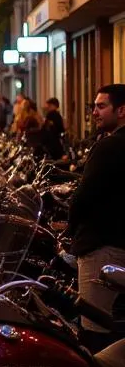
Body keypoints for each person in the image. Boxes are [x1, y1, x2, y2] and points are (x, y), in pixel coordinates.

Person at [68, 84, 125, 347]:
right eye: (93, 106)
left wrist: (69, 231)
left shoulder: (110, 146)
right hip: (118, 242)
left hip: (103, 247)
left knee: (94, 329)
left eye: (101, 106)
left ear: (121, 110)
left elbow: (83, 196)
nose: (94, 112)